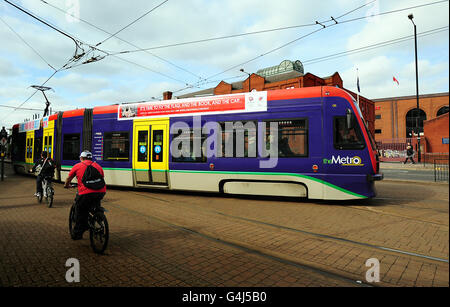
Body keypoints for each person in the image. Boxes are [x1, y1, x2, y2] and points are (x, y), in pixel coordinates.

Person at [64, 150, 106, 240]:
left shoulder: (77, 166)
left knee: (80, 209)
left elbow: (69, 178)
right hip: (100, 192)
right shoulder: (98, 166)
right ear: (90, 158)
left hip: (85, 193)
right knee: (95, 205)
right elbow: (102, 177)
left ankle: (79, 232)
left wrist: (66, 185)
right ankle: (98, 217)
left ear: (81, 158)